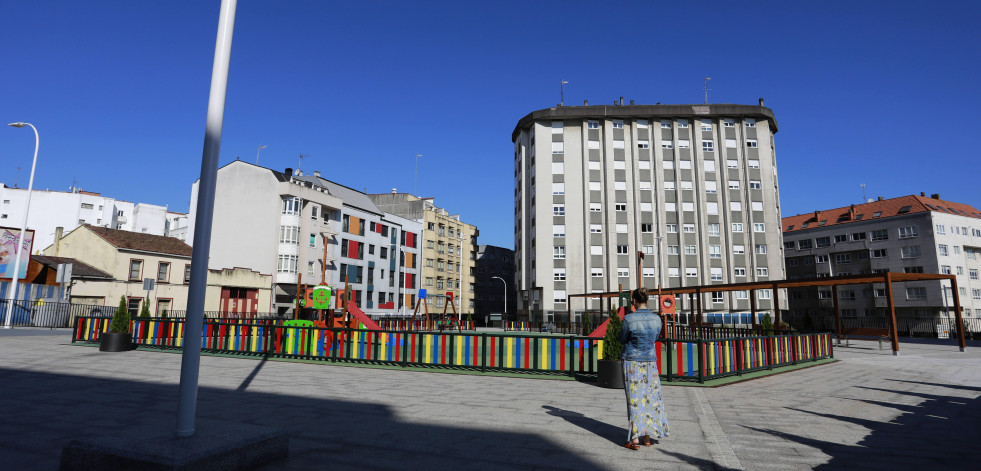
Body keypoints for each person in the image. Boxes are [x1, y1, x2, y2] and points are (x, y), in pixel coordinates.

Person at [618, 287, 669, 450]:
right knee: (650, 398)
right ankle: (647, 437)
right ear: (647, 300)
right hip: (650, 362)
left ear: (633, 301)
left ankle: (634, 439)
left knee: (634, 399)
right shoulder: (656, 319)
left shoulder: (628, 319)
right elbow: (655, 338)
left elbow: (622, 339)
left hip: (632, 362)